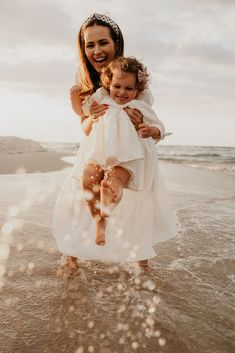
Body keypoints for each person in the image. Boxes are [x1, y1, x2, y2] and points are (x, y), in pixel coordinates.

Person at [52, 13, 176, 270]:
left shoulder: (133, 79)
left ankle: (142, 265)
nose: (96, 50)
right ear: (83, 48)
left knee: (135, 204)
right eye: (90, 44)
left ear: (116, 43)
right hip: (97, 147)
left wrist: (142, 124)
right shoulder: (88, 81)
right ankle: (72, 255)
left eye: (103, 42)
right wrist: (91, 115)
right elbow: (85, 127)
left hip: (131, 150)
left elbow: (150, 123)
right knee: (85, 189)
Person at [80, 56, 167, 247]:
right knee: (87, 177)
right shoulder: (102, 97)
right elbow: (84, 108)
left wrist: (149, 130)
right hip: (99, 152)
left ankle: (109, 199)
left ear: (137, 90)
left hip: (127, 157)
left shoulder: (138, 106)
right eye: (117, 86)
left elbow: (159, 127)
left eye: (129, 88)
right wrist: (87, 109)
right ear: (109, 83)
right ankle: (100, 222)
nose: (122, 92)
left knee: (115, 181)